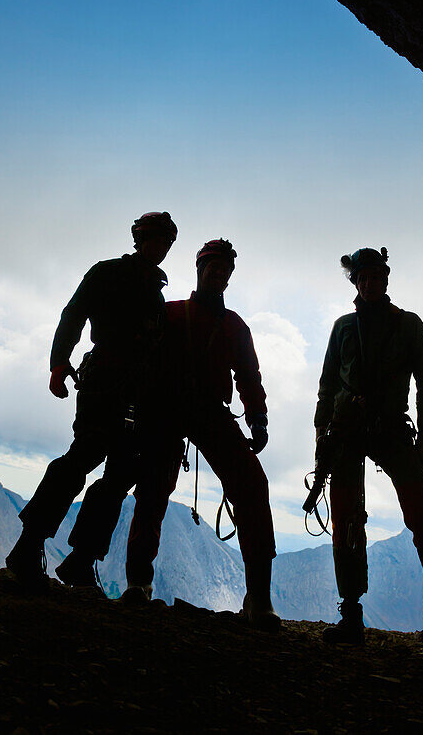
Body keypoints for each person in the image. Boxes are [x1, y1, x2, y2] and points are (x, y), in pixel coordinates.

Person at [5, 211, 178, 585]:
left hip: (133, 389)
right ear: (140, 238)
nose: (161, 247)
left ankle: (81, 560)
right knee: (85, 456)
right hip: (105, 380)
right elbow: (74, 314)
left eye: (166, 242)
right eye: (157, 239)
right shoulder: (109, 273)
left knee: (118, 473)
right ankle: (29, 545)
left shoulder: (153, 289)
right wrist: (57, 363)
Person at [313, 246, 423, 652]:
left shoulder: (409, 326)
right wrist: (320, 432)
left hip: (389, 430)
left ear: (385, 279)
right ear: (357, 282)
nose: (369, 283)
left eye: (375, 277)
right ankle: (351, 613)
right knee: (347, 516)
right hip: (347, 429)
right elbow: (328, 383)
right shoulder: (343, 327)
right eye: (362, 278)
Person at [122, 238, 279, 629]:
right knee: (155, 489)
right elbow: (144, 360)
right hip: (172, 410)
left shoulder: (216, 323)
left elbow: (248, 376)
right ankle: (139, 582)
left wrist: (258, 417)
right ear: (200, 269)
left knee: (251, 487)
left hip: (195, 411)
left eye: (225, 270)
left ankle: (259, 598)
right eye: (214, 268)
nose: (219, 275)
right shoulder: (177, 315)